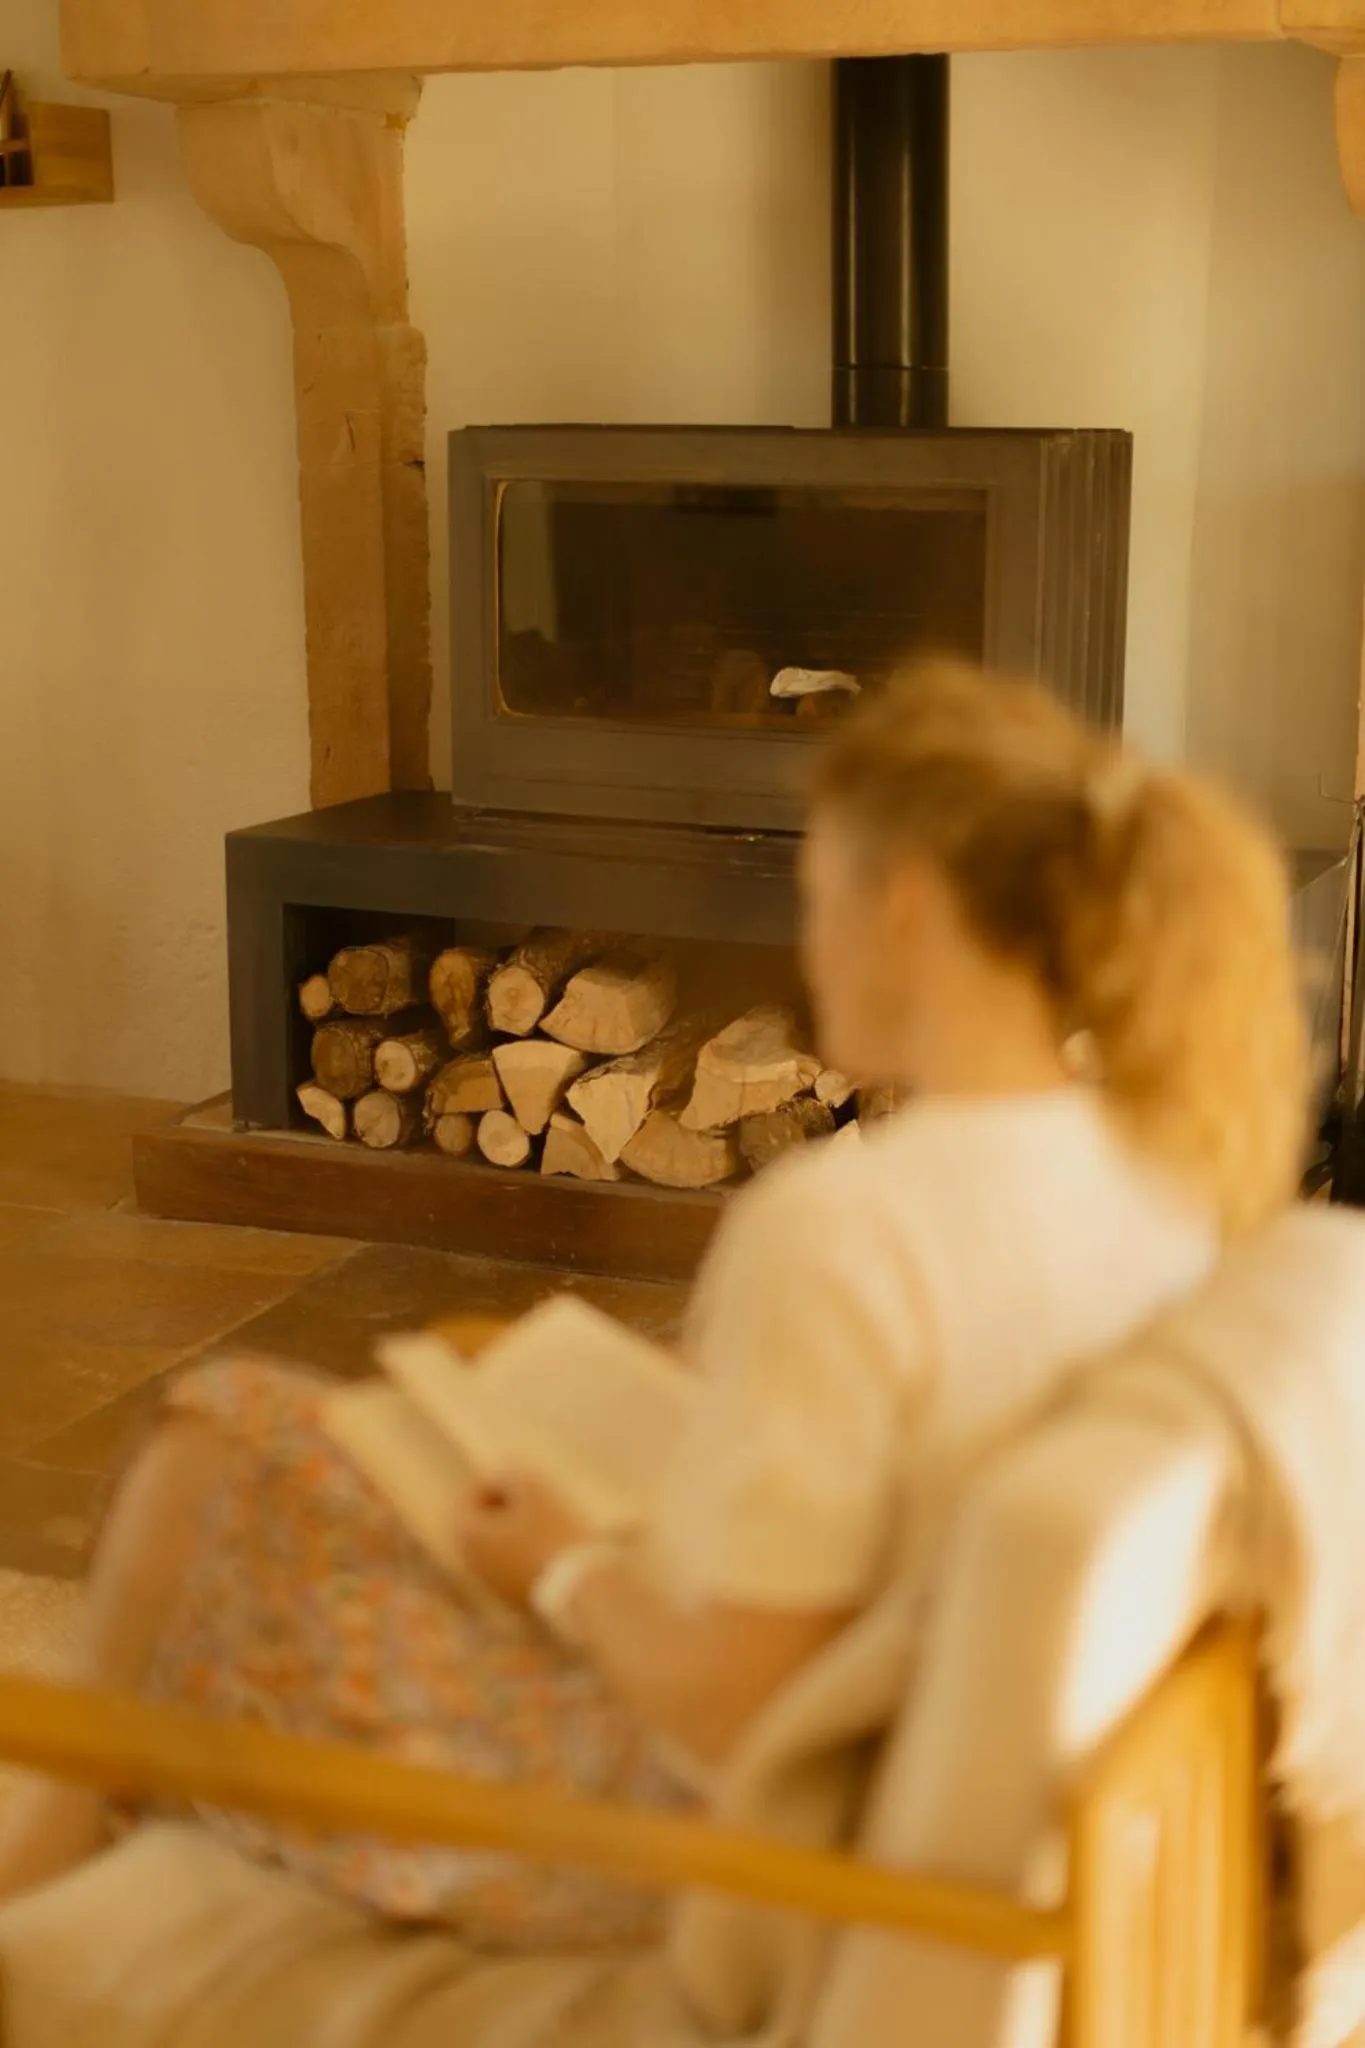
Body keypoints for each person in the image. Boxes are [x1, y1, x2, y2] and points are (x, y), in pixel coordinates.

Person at [0, 660, 1309, 1948]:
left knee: (214, 1450)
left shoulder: (848, 1225)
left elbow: (735, 1715)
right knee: (259, 1435)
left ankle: (52, 1863)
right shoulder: (1175, 1170)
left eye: (816, 898)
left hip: (706, 1827)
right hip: (923, 1723)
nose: (809, 945)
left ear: (905, 908)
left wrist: (561, 1566)